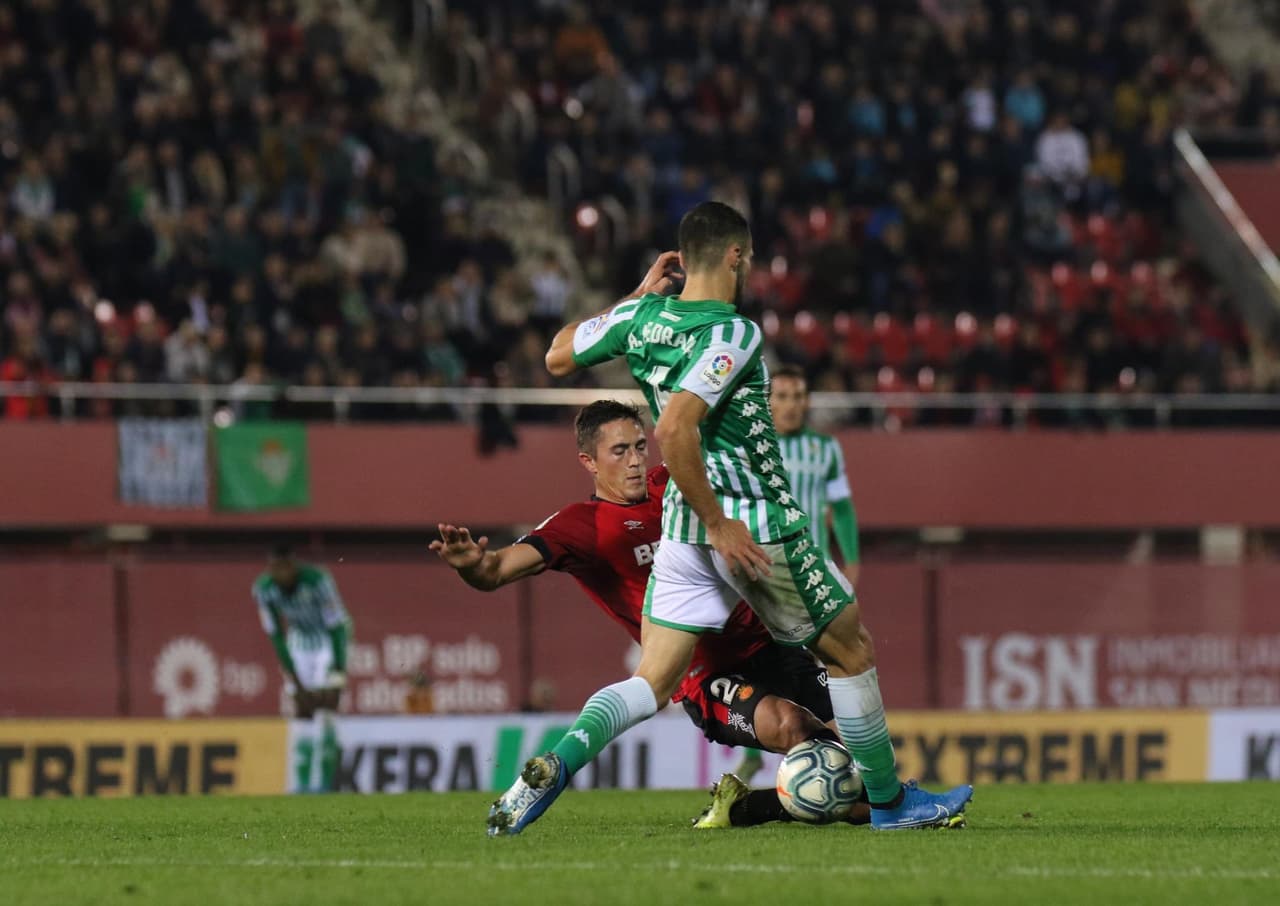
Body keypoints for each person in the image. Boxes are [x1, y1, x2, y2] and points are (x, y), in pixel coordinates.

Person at [488, 202, 972, 835]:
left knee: (652, 681)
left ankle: (559, 760)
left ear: (683, 260)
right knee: (851, 651)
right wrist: (720, 521)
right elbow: (673, 426)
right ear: (737, 256)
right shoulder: (733, 333)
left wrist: (634, 298)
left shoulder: (640, 316)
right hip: (753, 525)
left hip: (680, 534)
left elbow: (556, 356)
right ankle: (890, 804)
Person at [430, 400, 872, 829]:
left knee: (861, 739)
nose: (636, 461)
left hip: (770, 646)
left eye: (640, 446)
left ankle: (751, 805)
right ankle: (805, 806)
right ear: (589, 461)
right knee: (797, 729)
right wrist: (473, 565)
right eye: (619, 452)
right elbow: (496, 570)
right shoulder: (581, 526)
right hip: (704, 675)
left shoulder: (675, 486)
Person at [732, 363, 862, 783]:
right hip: (764, 575)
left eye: (798, 396)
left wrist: (853, 562)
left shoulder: (825, 449)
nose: (791, 405)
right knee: (779, 666)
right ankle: (777, 750)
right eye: (782, 396)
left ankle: (846, 756)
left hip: (814, 570)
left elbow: (841, 508)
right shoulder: (750, 447)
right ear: (766, 403)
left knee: (832, 665)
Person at [253, 545, 353, 793]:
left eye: (282, 568)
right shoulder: (263, 589)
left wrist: (339, 668)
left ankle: (327, 784)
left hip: (326, 641)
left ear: (292, 565)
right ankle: (302, 784)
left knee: (327, 705)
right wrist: (293, 677)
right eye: (273, 568)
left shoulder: (318, 581)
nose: (278, 574)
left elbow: (336, 624)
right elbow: (275, 635)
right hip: (298, 643)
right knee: (302, 709)